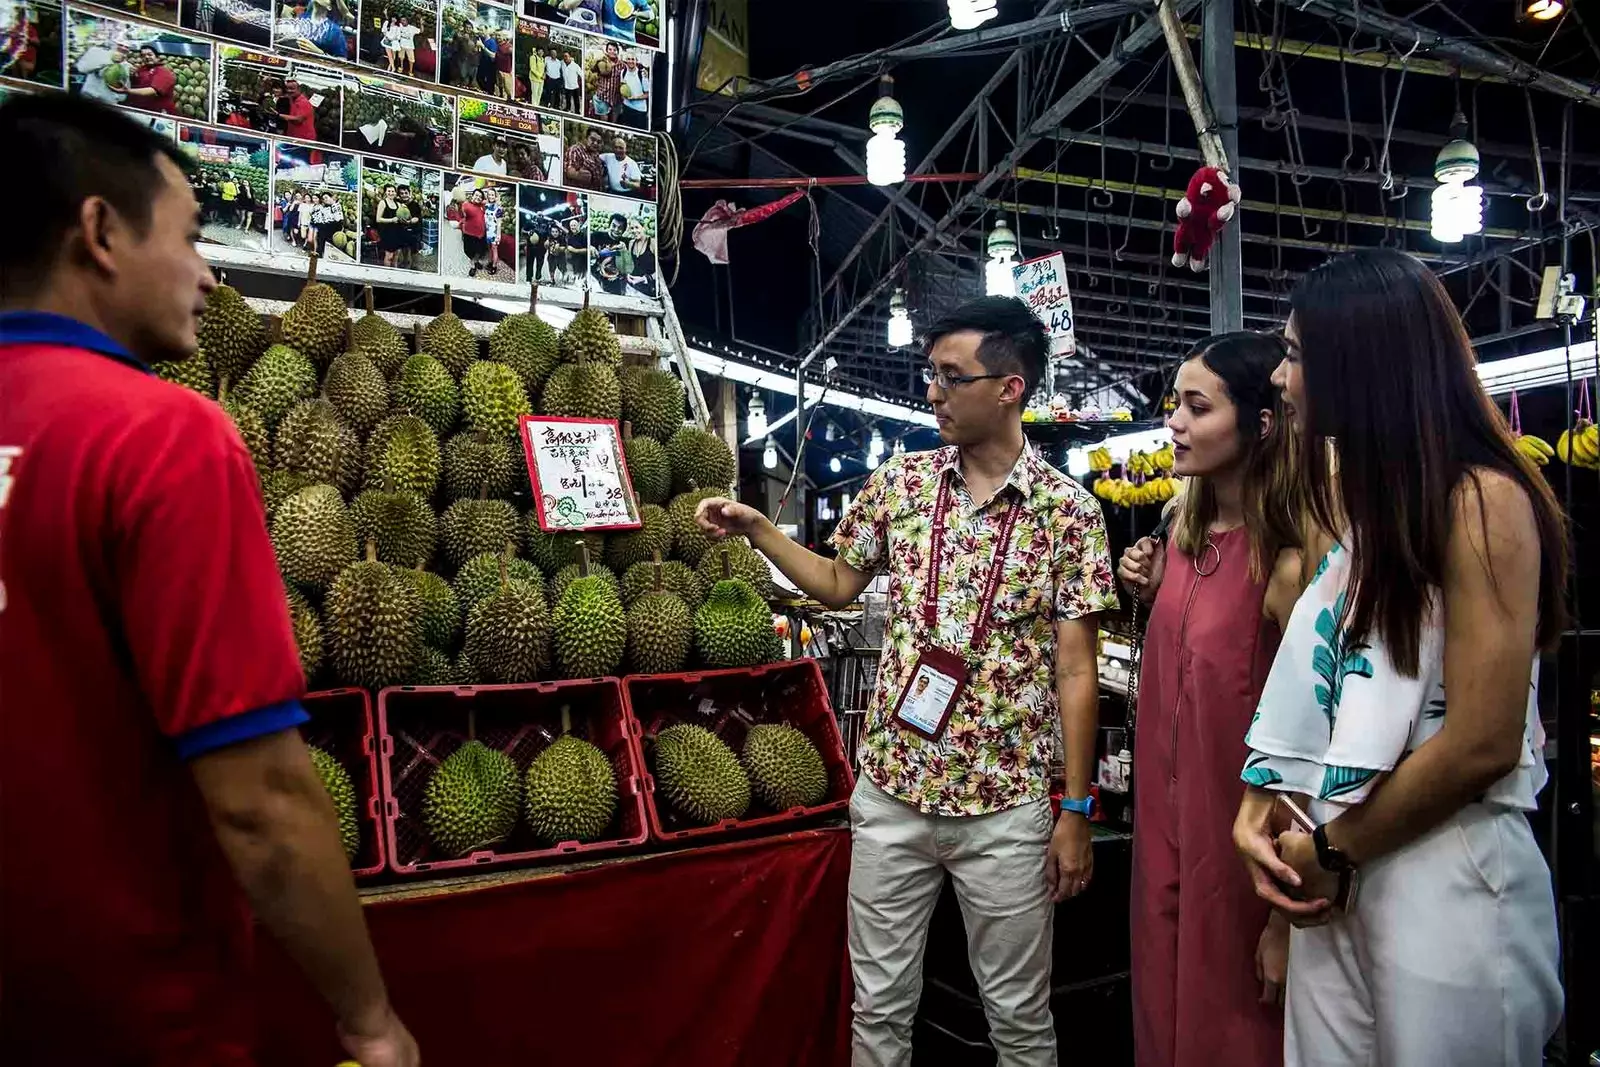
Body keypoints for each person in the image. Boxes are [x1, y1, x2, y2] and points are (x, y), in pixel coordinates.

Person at [0, 94, 418, 1067]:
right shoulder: (163, 437)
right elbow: (261, 801)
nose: (207, 271)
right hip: (123, 1007)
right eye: (189, 235)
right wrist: (369, 1015)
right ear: (100, 232)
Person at [695, 297, 1118, 1066]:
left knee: (1019, 1019)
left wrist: (1076, 809)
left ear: (1008, 387)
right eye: (930, 375)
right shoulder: (902, 485)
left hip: (1005, 808)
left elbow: (1076, 668)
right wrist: (760, 531)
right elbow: (835, 582)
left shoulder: (1068, 513)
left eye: (950, 377)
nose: (931, 392)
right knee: (879, 1009)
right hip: (891, 791)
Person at [1232, 248, 1567, 1066]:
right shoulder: (1369, 514)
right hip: (1343, 859)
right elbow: (1330, 690)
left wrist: (1335, 846)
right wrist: (1265, 803)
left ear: (1362, 361)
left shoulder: (1480, 500)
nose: (1280, 376)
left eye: (1298, 354)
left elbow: (1482, 740)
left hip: (1440, 863)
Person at [1116, 333, 1306, 1067]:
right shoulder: (1184, 539)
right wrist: (1153, 587)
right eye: (1175, 405)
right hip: (1163, 837)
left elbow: (1312, 740)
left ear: (1261, 422)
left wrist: (1285, 918)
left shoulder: (1289, 560)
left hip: (1246, 852)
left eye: (1198, 407)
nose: (1175, 423)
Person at [123, 47, 177, 115]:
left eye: (150, 54)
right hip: (141, 110)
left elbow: (153, 91)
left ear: (157, 57)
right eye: (143, 55)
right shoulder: (142, 69)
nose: (147, 57)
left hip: (158, 113)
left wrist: (127, 91)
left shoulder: (163, 72)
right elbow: (137, 84)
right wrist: (133, 76)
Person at [588, 40, 622, 120]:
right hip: (602, 95)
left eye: (614, 50)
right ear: (606, 51)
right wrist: (596, 61)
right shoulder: (601, 62)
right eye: (610, 49)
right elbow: (592, 70)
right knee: (604, 118)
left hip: (616, 97)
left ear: (617, 52)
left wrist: (644, 71)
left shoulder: (622, 65)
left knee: (614, 119)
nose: (612, 52)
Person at [279, 77, 318, 142]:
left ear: (299, 89)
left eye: (292, 89)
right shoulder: (292, 99)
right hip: (294, 137)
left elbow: (298, 119)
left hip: (304, 140)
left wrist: (279, 115)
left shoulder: (303, 102)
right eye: (287, 89)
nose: (289, 91)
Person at [617, 52, 649, 130]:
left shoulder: (642, 74)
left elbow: (648, 94)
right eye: (628, 59)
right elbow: (622, 85)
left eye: (632, 59)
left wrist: (635, 98)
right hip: (626, 107)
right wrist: (623, 96)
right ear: (626, 61)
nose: (630, 61)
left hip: (639, 110)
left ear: (636, 61)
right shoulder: (623, 72)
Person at [374, 182, 399, 266]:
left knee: (396, 255)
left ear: (395, 193)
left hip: (396, 232)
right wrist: (391, 220)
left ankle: (395, 273)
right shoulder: (383, 203)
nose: (391, 193)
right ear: (385, 192)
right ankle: (387, 273)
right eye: (389, 191)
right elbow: (378, 219)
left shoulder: (398, 204)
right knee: (389, 256)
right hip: (387, 232)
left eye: (392, 191)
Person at [561, 48, 581, 112]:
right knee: (568, 99)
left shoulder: (575, 66)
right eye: (564, 56)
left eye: (566, 56)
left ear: (570, 57)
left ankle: (577, 111)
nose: (565, 58)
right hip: (567, 86)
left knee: (576, 100)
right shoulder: (562, 63)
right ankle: (568, 109)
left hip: (575, 86)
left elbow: (581, 74)